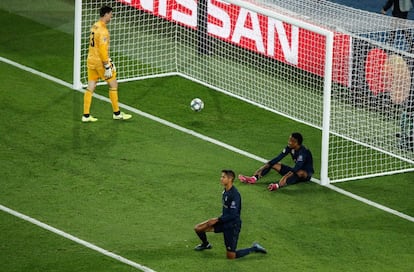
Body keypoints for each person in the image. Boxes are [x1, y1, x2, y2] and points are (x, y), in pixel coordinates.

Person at [194, 170, 267, 259]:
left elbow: (233, 214)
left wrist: (217, 220)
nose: (221, 179)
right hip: (223, 220)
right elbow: (227, 209)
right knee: (198, 228)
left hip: (232, 226)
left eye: (223, 177)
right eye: (221, 177)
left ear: (230, 179)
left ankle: (254, 248)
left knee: (231, 256)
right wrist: (219, 218)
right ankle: (206, 244)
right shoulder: (225, 191)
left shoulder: (235, 195)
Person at [82, 5, 132, 122]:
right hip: (100, 62)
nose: (112, 16)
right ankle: (117, 113)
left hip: (91, 60)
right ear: (106, 14)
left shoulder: (95, 25)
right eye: (110, 14)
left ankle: (86, 115)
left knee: (91, 86)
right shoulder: (103, 31)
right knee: (113, 85)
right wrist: (107, 66)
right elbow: (103, 51)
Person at [238, 132, 314, 191]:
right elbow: (279, 157)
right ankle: (254, 179)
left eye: (291, 141)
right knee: (274, 164)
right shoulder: (290, 147)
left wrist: (285, 176)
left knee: (299, 171)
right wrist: (268, 164)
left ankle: (277, 186)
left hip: (305, 175)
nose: (289, 142)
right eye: (289, 140)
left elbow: (297, 167)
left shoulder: (303, 152)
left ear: (297, 143)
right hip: (295, 170)